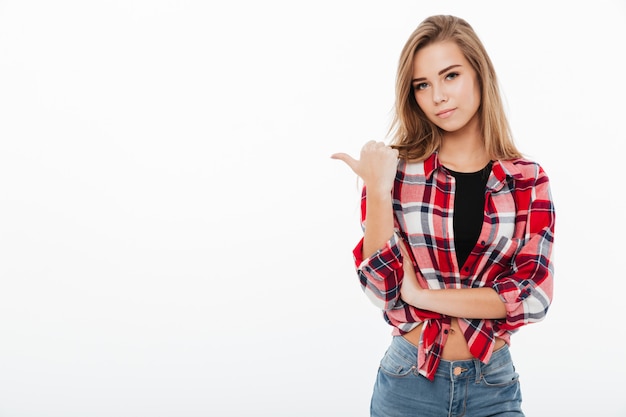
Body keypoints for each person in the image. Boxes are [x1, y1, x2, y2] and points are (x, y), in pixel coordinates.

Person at [331, 15, 555, 417]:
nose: (437, 96)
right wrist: (379, 191)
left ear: (479, 74)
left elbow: (533, 296)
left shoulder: (526, 180)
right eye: (422, 84)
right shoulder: (393, 170)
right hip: (408, 383)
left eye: (450, 76)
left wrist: (422, 296)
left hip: (493, 384)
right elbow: (380, 290)